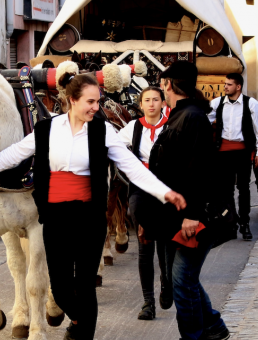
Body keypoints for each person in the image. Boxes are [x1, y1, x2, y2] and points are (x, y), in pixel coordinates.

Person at [0, 73, 186, 340]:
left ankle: (82, 333)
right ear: (72, 100)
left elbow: (132, 166)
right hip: (55, 217)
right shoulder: (46, 129)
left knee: (85, 285)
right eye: (90, 101)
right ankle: (79, 320)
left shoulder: (103, 131)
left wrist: (164, 192)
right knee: (60, 288)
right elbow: (14, 154)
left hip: (89, 217)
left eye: (98, 101)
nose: (95, 107)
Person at [135, 60, 230, 340]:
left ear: (167, 85)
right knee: (184, 279)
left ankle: (193, 335)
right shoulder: (178, 116)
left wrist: (194, 216)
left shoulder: (193, 117)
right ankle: (213, 326)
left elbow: (200, 172)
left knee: (182, 280)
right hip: (174, 217)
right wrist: (149, 222)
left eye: (161, 84)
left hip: (193, 218)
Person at [117, 86, 172, 321]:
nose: (151, 104)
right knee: (145, 243)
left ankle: (166, 284)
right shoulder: (132, 127)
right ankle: (148, 302)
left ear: (162, 103)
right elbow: (114, 147)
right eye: (146, 100)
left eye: (155, 100)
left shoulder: (172, 125)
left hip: (167, 188)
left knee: (166, 244)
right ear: (141, 104)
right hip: (141, 188)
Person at [209, 73, 258, 240]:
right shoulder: (217, 103)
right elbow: (205, 120)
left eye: (229, 84)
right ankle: (231, 222)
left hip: (242, 152)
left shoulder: (251, 104)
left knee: (244, 188)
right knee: (226, 190)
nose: (225, 87)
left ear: (238, 87)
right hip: (222, 153)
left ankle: (245, 223)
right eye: (225, 84)